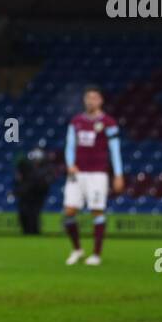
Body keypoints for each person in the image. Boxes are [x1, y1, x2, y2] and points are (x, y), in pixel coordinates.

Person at [62, 86, 123, 266]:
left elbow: (115, 150)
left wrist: (118, 174)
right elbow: (70, 145)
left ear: (101, 101)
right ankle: (77, 250)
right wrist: (70, 164)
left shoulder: (109, 123)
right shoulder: (76, 121)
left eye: (94, 98)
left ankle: (96, 254)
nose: (91, 101)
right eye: (88, 98)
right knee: (69, 211)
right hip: (77, 173)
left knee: (97, 210)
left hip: (97, 173)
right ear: (84, 100)